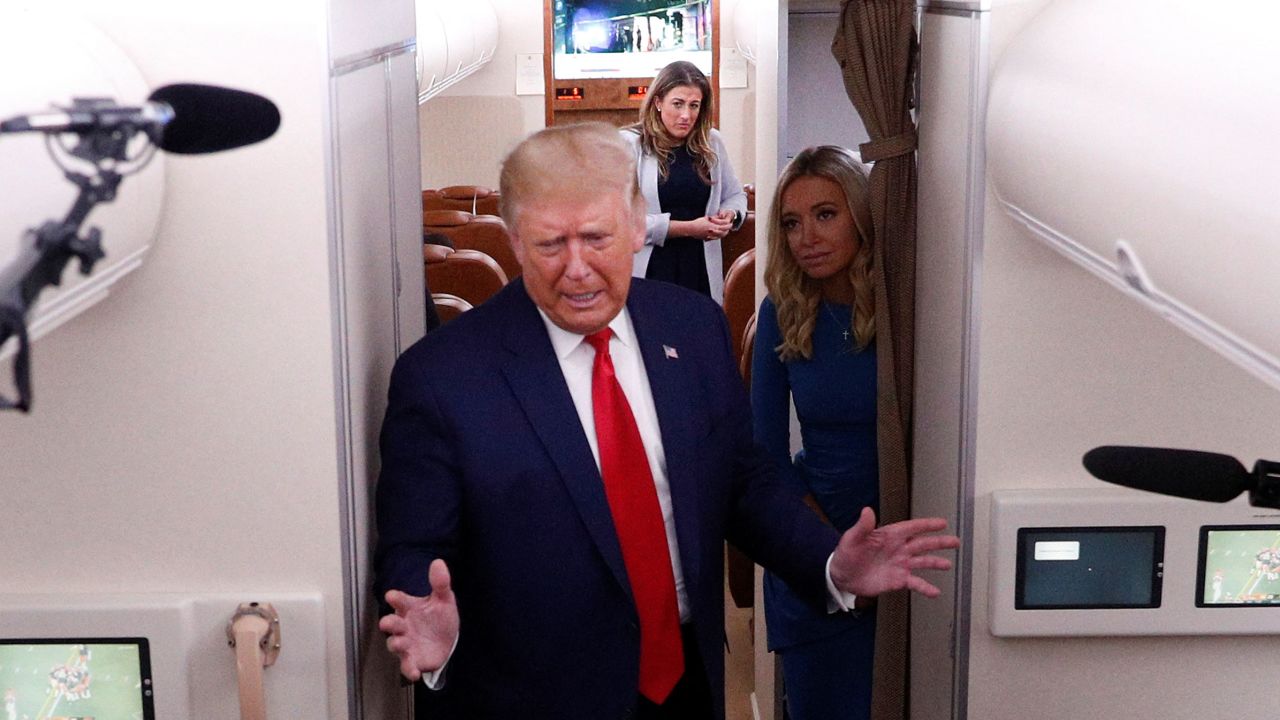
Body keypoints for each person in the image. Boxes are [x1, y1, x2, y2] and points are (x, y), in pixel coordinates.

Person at [373, 123, 958, 720]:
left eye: (597, 238)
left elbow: (743, 484)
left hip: (686, 684)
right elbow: (415, 546)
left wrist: (830, 560)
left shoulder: (694, 327)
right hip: (531, 696)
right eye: (551, 244)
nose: (577, 268)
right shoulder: (442, 377)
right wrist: (428, 622)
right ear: (517, 241)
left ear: (635, 224)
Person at [751, 145, 881, 720]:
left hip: (904, 535)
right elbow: (764, 454)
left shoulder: (906, 308)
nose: (807, 236)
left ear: (860, 214)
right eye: (791, 222)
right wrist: (829, 552)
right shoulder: (782, 310)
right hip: (815, 543)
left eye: (826, 214)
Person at [621, 60, 747, 304]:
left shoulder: (712, 142)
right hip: (651, 269)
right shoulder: (630, 144)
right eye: (677, 104)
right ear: (658, 102)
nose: (686, 115)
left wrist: (729, 214)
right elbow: (622, 222)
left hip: (700, 269)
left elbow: (735, 194)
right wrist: (689, 228)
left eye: (694, 106)